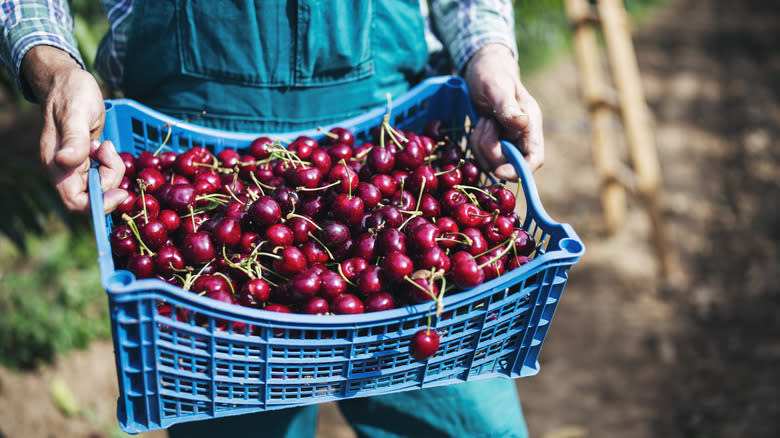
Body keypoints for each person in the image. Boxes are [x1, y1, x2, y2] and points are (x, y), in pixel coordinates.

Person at [1, 1, 544, 437]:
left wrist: (488, 53)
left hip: (387, 123)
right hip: (191, 126)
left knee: (468, 421)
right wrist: (54, 68)